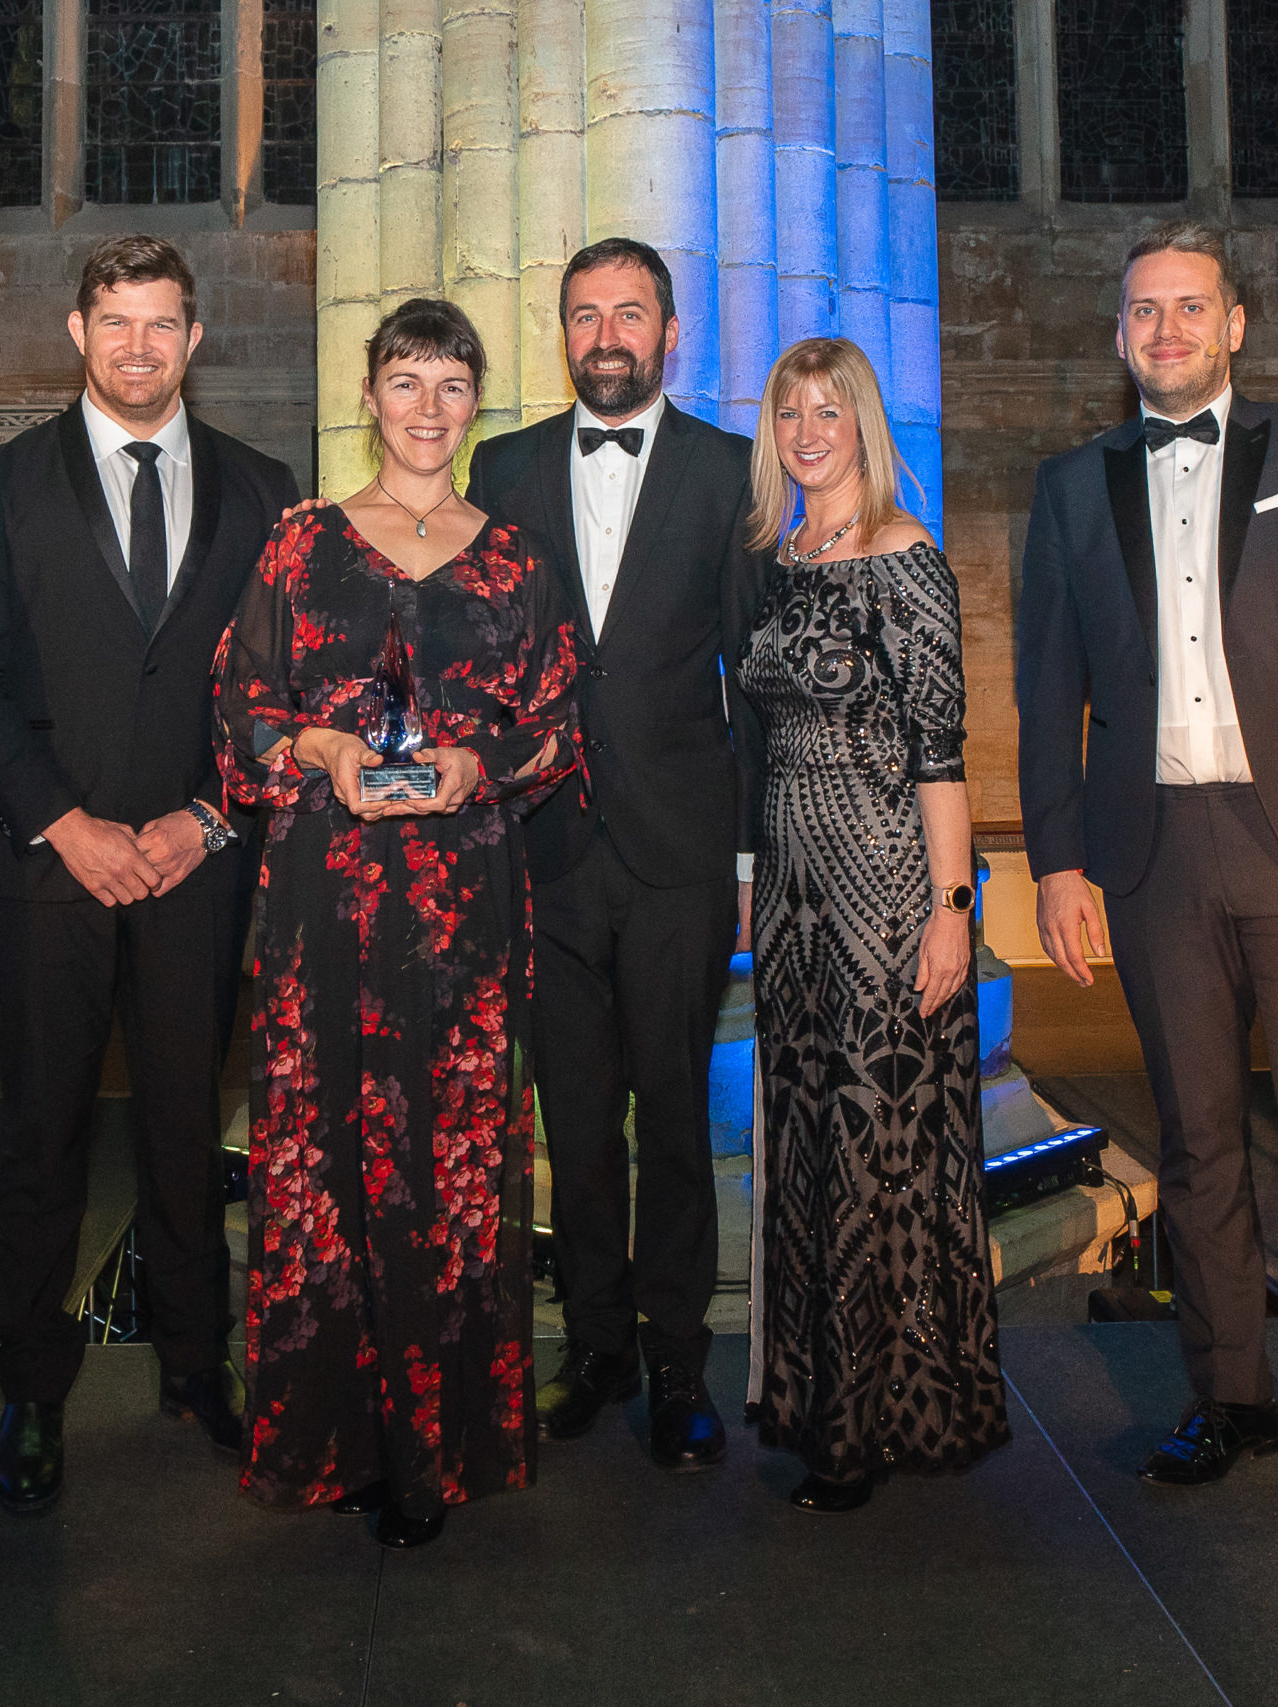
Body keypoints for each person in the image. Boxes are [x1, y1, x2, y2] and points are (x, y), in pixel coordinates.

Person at [1014, 220, 1278, 1561]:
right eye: (1143, 311)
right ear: (1121, 331)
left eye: (1189, 307)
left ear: (1236, 323)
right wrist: (1059, 858)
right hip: (1149, 856)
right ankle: (1232, 1398)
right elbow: (1046, 692)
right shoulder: (1072, 483)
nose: (1165, 330)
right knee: (1197, 1145)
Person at [219, 297, 581, 1548]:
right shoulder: (299, 545)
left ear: (477, 402)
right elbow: (243, 715)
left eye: (451, 385)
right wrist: (318, 745)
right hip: (324, 895)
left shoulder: (519, 559)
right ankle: (333, 1443)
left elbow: (556, 721)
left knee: (459, 1165)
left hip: (466, 902)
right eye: (404, 382)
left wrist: (486, 766)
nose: (427, 408)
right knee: (321, 1161)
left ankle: (444, 1448)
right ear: (367, 396)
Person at [0, 234, 297, 1514]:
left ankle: (196, 1369)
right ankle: (31, 1392)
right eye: (116, 321)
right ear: (76, 331)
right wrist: (64, 821)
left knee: (182, 1130)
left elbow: (283, 691)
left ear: (195, 339)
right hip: (47, 865)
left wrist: (211, 817)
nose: (139, 347)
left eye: (162, 324)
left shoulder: (264, 491)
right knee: (39, 1135)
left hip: (197, 867)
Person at [462, 238, 766, 1470]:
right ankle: (589, 1347)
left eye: (626, 315)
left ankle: (679, 1363)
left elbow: (754, 679)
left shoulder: (729, 471)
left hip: (684, 854)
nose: (605, 337)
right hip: (542, 847)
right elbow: (478, 666)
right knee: (572, 1121)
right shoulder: (504, 465)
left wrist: (750, 866)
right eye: (583, 316)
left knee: (675, 1122)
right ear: (563, 334)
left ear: (669, 332)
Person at [740, 337, 1006, 1512]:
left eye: (828, 411)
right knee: (803, 1142)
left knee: (878, 1154)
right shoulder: (783, 555)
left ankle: (881, 1418)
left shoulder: (907, 559)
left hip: (889, 890)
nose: (808, 431)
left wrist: (955, 912)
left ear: (862, 428)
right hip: (794, 895)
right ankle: (812, 1400)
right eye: (790, 412)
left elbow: (941, 757)